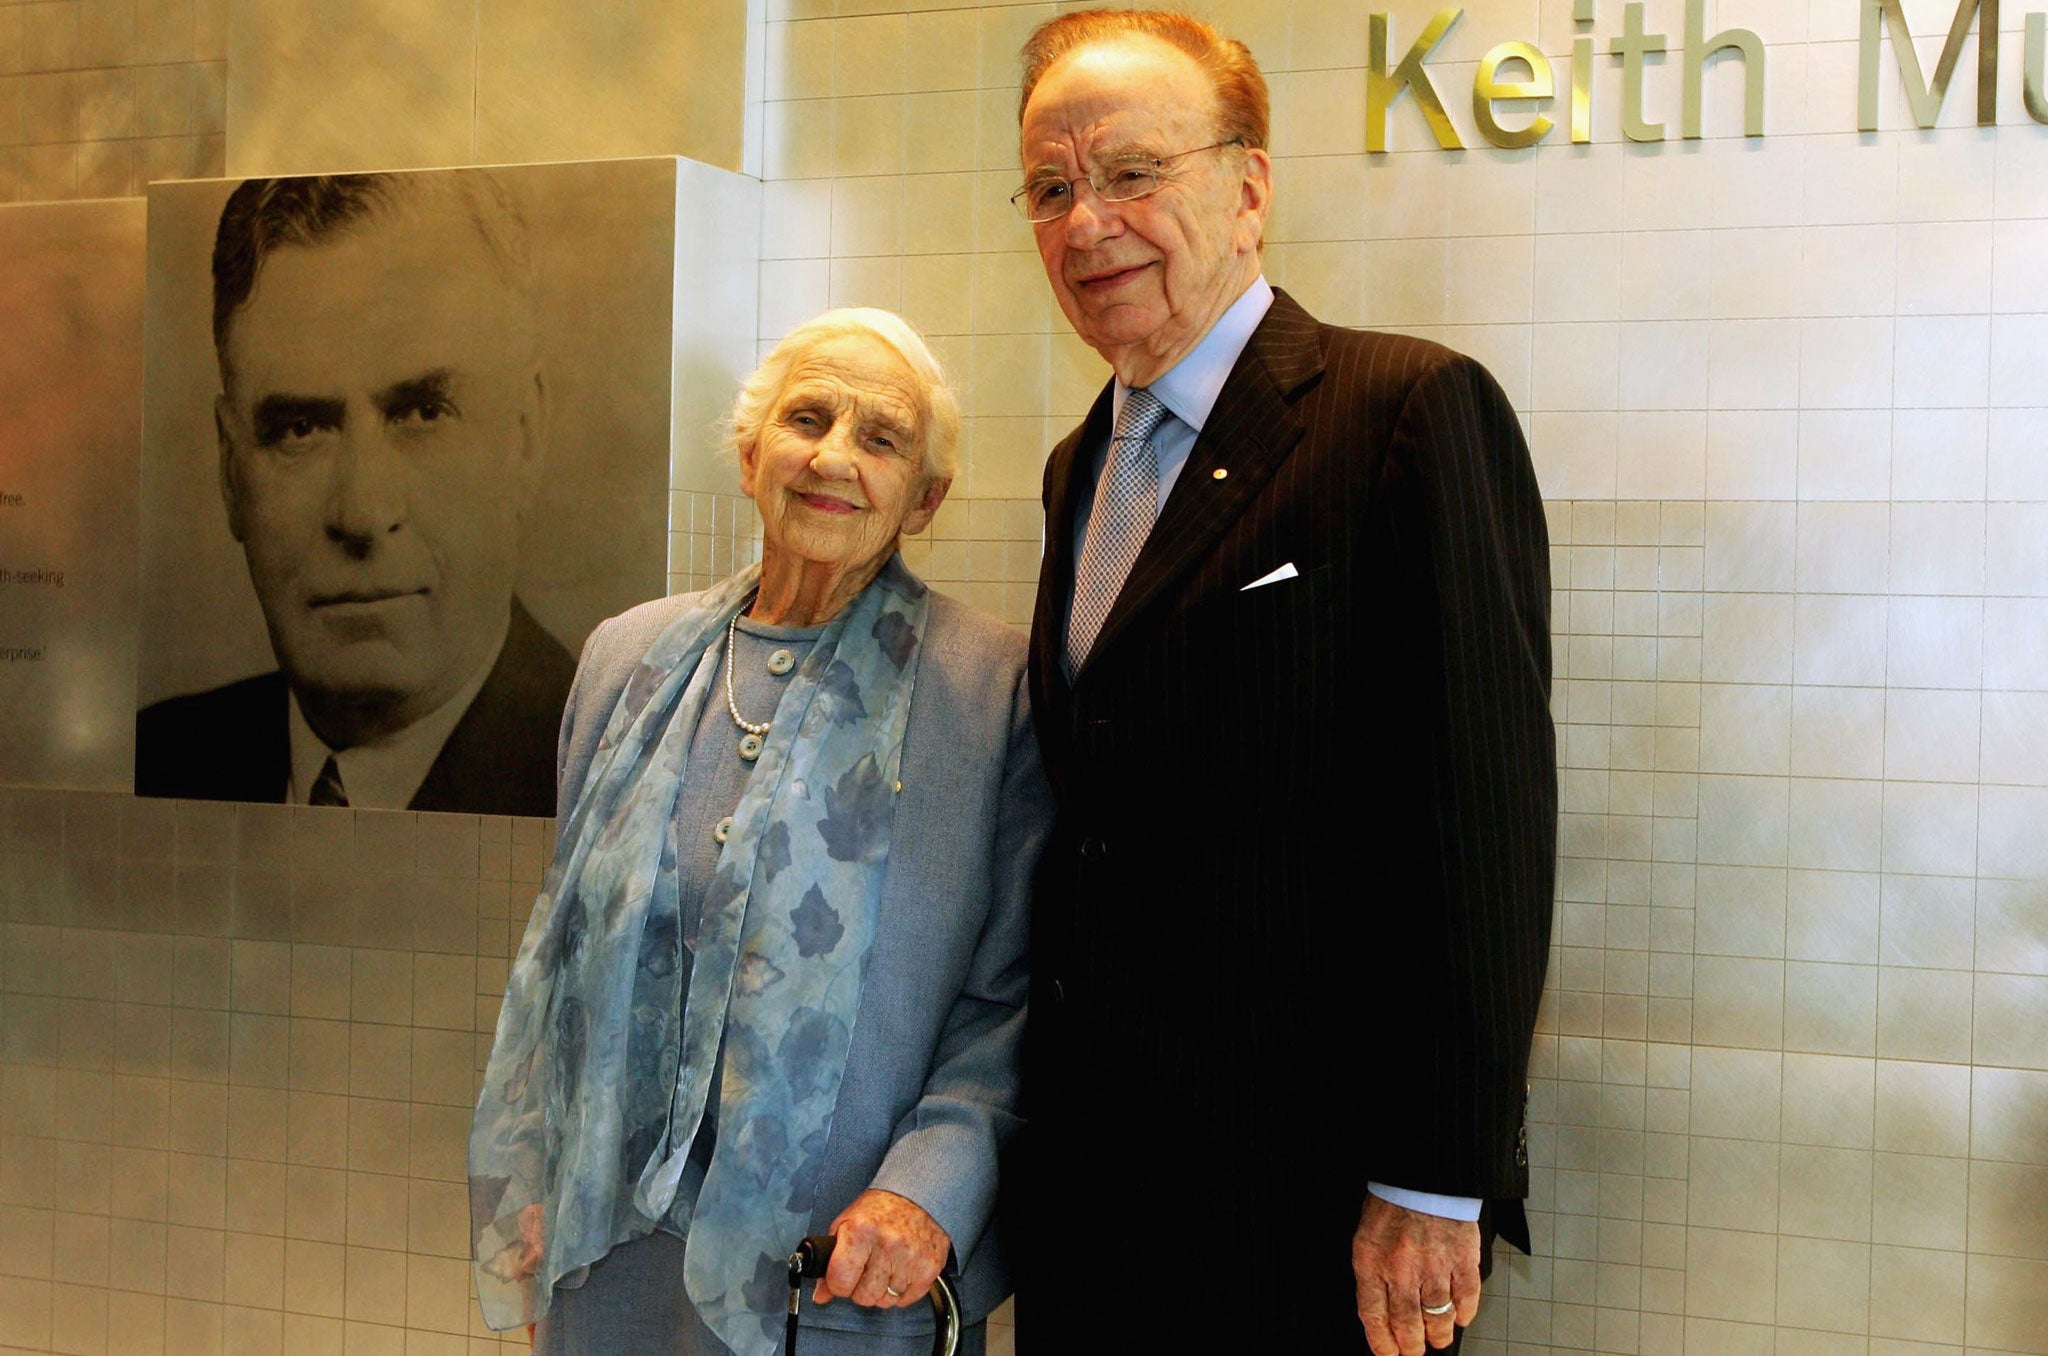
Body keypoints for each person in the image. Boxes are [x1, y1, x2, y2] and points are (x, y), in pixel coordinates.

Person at [1012, 12, 1556, 1355]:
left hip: (1316, 1210)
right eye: (1051, 188)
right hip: (1096, 1198)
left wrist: (1435, 1178)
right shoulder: (1075, 468)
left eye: (1135, 174)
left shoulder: (1403, 413)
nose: (1089, 227)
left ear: (1250, 187)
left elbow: (1482, 817)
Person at [469, 308, 1049, 1356]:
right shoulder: (623, 659)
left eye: (880, 439)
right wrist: (546, 1172)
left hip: (837, 1268)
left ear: (925, 497)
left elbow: (1013, 994)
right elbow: (564, 959)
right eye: (807, 419)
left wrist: (927, 1195)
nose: (833, 458)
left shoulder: (990, 690)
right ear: (749, 456)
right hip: (609, 1257)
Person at [134, 171, 575, 816]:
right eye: (301, 428)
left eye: (422, 413)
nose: (362, 512)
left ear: (525, 436)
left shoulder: (609, 770)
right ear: (232, 469)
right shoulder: (167, 757)